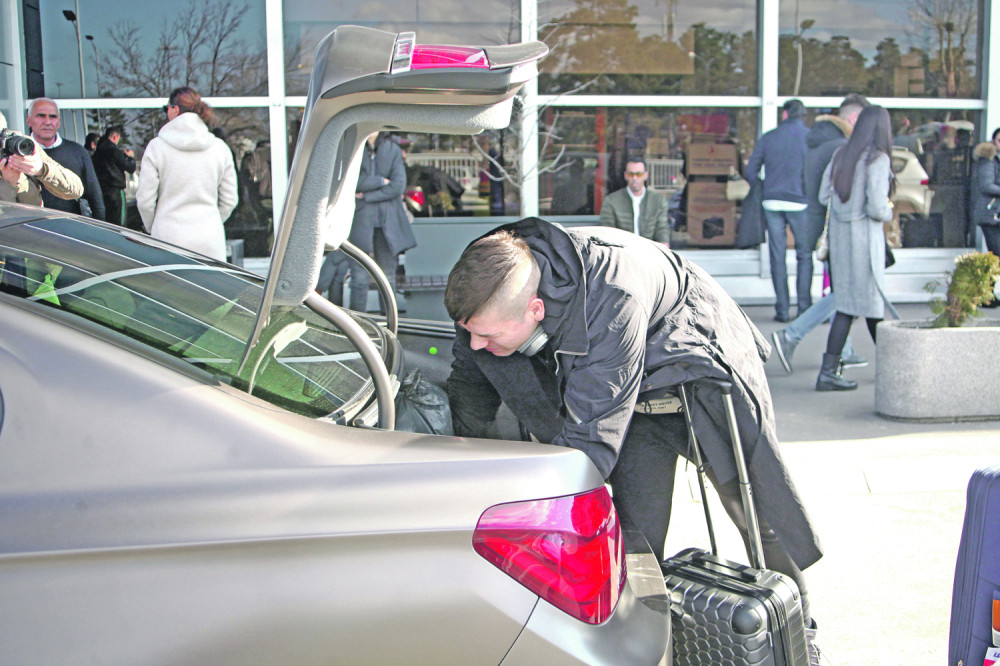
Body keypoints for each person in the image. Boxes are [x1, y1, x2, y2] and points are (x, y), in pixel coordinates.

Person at [444, 219, 823, 656]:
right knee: (637, 540)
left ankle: (802, 640)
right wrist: (463, 474)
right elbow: (469, 386)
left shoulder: (611, 294)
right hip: (636, 407)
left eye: (487, 335)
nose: (474, 343)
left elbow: (586, 447)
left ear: (535, 309)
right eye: (470, 330)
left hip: (700, 378)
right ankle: (652, 650)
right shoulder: (487, 284)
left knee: (763, 520)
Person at [772, 94, 870, 373]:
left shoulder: (818, 142)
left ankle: (845, 350)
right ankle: (792, 334)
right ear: (853, 119)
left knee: (842, 291)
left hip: (818, 225)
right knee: (844, 294)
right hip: (837, 229)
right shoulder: (842, 147)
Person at [815, 105, 897, 392]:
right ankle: (896, 367)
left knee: (848, 306)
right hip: (864, 244)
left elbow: (823, 194)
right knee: (868, 307)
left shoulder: (841, 155)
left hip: (841, 241)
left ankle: (829, 371)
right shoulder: (878, 159)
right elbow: (877, 208)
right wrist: (889, 209)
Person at [137, 86, 238, 261]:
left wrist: (154, 227)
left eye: (166, 109)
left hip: (168, 238)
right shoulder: (219, 149)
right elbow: (230, 200)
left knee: (168, 288)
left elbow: (145, 201)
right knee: (211, 288)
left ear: (175, 109)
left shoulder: (156, 147)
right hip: (209, 238)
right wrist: (212, 220)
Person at [746, 99, 810, 322]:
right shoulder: (809, 138)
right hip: (801, 201)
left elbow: (750, 171)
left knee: (777, 255)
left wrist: (763, 187)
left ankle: (782, 310)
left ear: (784, 114)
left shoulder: (769, 137)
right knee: (804, 254)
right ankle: (804, 309)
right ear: (802, 115)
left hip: (772, 200)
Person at [342, 131, 416, 312]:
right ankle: (355, 327)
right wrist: (381, 181)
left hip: (387, 223)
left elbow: (398, 186)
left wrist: (366, 196)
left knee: (387, 277)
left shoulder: (392, 149)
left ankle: (392, 326)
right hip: (361, 221)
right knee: (359, 279)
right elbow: (351, 183)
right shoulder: (354, 148)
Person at [25, 98, 105, 220]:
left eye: (52, 117)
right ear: (28, 120)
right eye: (41, 116)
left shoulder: (77, 152)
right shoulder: (17, 154)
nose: (47, 122)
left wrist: (100, 232)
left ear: (59, 122)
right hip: (28, 231)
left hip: (70, 230)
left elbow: (95, 197)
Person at [0, 110, 83, 204]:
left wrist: (42, 170)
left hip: (37, 218)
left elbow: (76, 189)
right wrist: (9, 184)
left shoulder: (18, 147)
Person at [598, 156, 670, 245]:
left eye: (639, 174)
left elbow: (662, 229)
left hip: (649, 252)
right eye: (631, 174)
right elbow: (607, 231)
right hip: (622, 252)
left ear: (645, 175)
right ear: (626, 175)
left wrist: (664, 245)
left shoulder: (658, 201)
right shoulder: (612, 201)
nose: (635, 178)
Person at [969, 127, 1000, 308]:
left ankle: (986, 294)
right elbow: (986, 186)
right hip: (991, 215)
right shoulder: (988, 160)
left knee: (995, 256)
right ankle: (984, 295)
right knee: (995, 256)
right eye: (999, 139)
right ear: (993, 141)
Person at [92, 125, 137, 228]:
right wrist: (130, 158)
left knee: (106, 223)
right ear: (115, 137)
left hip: (101, 191)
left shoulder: (97, 153)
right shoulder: (114, 151)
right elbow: (130, 168)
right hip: (115, 190)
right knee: (119, 222)